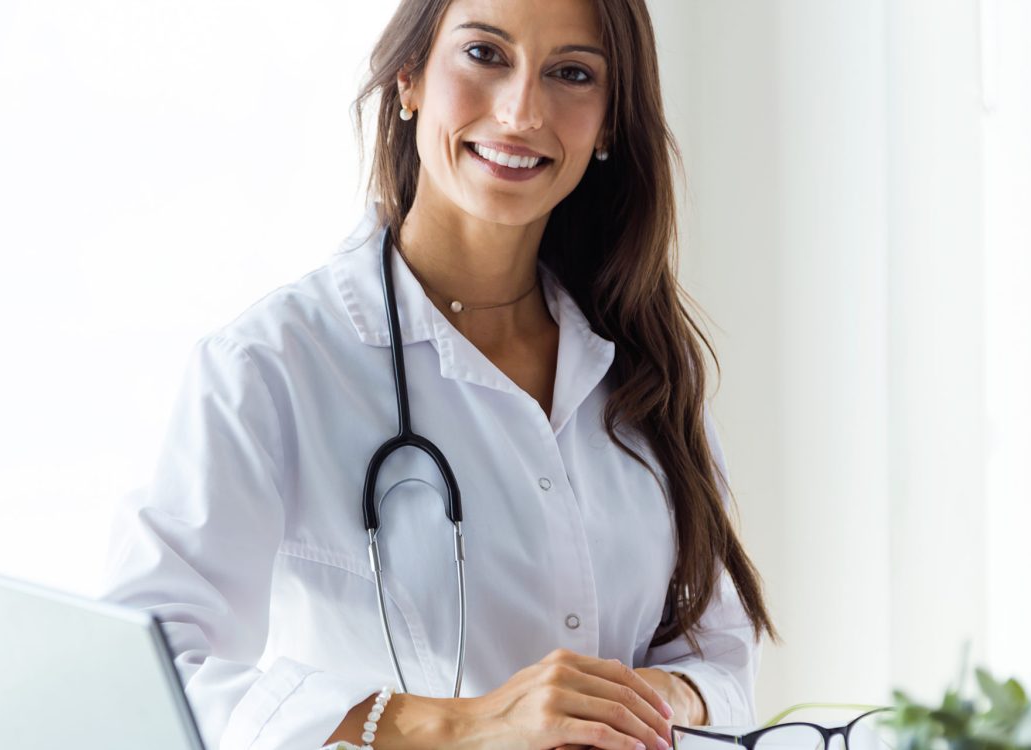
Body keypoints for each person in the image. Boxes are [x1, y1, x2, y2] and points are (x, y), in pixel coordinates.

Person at [100, 0, 777, 748]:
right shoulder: (274, 366)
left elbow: (719, 663)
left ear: (611, 120)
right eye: (485, 55)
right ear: (409, 77)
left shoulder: (646, 368)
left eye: (572, 74)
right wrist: (455, 726)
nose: (522, 112)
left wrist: (649, 698)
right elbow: (147, 673)